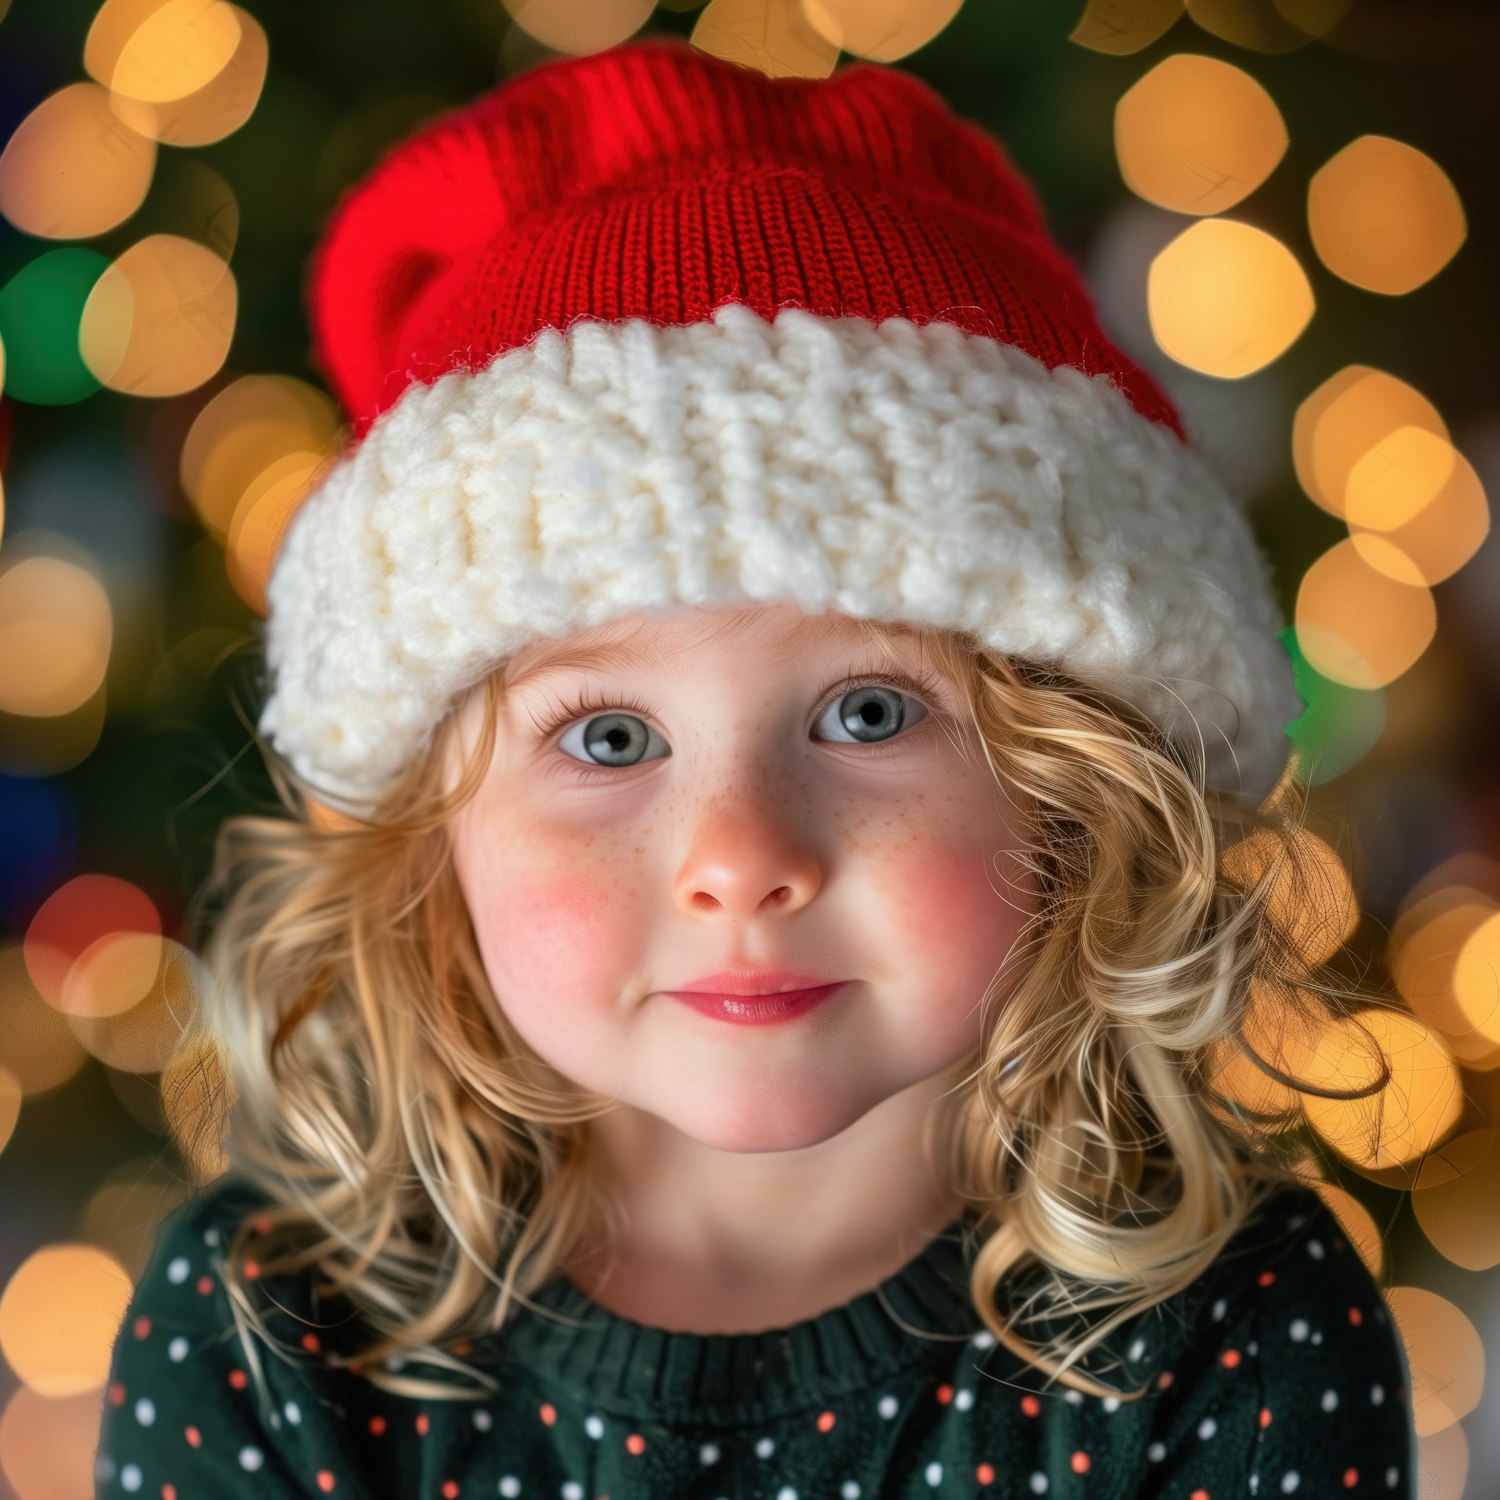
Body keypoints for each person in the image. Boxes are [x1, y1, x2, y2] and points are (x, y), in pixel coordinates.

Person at [96, 35, 1418, 1500]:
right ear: (430, 831)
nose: (738, 856)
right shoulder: (268, 1335)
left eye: (866, 714)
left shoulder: (1234, 1330)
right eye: (608, 738)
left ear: (1073, 786)